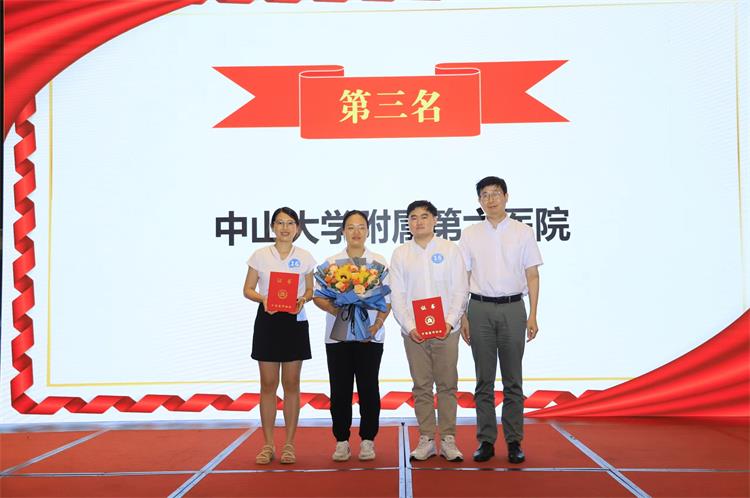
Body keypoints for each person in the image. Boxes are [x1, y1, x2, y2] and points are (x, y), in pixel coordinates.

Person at [458, 177, 542, 464]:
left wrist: (533, 314)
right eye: (485, 195)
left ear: (506, 196)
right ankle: (486, 440)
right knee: (483, 379)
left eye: (496, 193)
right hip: (479, 309)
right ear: (479, 201)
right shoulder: (470, 234)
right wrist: (463, 315)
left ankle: (514, 440)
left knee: (513, 379)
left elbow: (533, 275)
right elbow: (463, 277)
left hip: (513, 308)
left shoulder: (523, 232)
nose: (491, 199)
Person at [390, 200, 468, 462]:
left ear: (435, 220)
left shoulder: (450, 249)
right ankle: (425, 439)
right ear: (408, 223)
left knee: (447, 385)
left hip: (447, 330)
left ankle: (448, 439)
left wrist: (450, 322)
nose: (419, 222)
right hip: (414, 333)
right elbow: (397, 295)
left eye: (424, 216)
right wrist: (410, 326)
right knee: (421, 386)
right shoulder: (401, 254)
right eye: (413, 217)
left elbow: (460, 289)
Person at [313, 210, 391, 462]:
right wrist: (335, 308)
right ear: (343, 231)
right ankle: (342, 441)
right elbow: (318, 296)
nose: (356, 232)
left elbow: (388, 299)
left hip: (370, 335)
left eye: (361, 227)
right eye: (350, 227)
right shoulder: (331, 264)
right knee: (340, 389)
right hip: (338, 336)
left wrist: (377, 324)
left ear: (368, 231)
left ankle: (368, 440)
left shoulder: (379, 262)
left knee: (369, 388)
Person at [243, 207, 316, 465]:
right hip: (268, 320)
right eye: (280, 223)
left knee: (292, 384)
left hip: (295, 321)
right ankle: (267, 444)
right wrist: (263, 298)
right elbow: (247, 289)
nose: (285, 228)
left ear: (297, 228)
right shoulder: (260, 256)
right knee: (268, 384)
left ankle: (289, 444)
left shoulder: (305, 256)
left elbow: (310, 290)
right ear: (273, 227)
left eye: (290, 223)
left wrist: (302, 299)